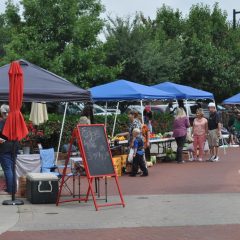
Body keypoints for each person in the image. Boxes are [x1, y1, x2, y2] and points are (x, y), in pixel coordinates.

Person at [0, 104, 15, 194]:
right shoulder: (14, 121)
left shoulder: (2, 122)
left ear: (2, 113)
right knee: (12, 168)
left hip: (5, 147)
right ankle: (13, 188)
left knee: (7, 169)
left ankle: (10, 189)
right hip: (15, 146)